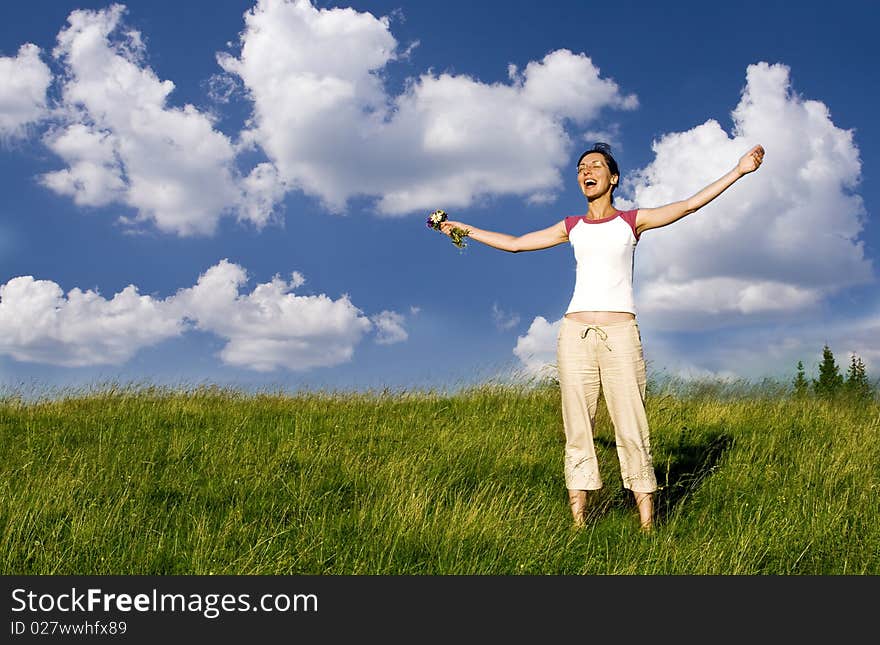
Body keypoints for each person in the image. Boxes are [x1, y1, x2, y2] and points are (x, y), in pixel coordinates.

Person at [435, 142, 765, 531]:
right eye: (580, 168)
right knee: (578, 426)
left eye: (595, 165)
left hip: (621, 333)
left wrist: (739, 170)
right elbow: (517, 244)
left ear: (613, 178)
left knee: (632, 424)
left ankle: (647, 524)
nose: (585, 171)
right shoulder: (571, 226)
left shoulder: (631, 221)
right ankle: (579, 524)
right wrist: (463, 228)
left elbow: (689, 205)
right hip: (575, 334)